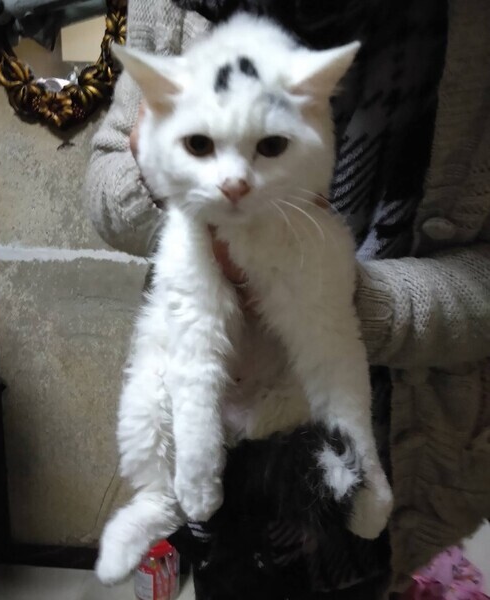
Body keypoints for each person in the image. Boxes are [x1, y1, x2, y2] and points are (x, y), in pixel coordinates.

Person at [85, 0, 490, 597]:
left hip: (407, 428)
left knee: (322, 386)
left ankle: (357, 479)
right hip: (225, 466)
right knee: (169, 377)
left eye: (268, 146)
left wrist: (343, 296)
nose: (234, 182)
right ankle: (156, 501)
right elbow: (110, 181)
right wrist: (160, 175)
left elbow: (337, 349)